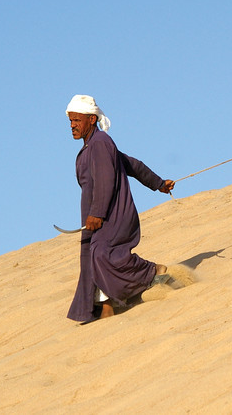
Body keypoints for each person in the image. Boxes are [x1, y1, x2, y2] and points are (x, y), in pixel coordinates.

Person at [65, 94, 175, 322]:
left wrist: (97, 213)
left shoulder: (101, 142)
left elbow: (105, 181)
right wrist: (158, 183)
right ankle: (106, 307)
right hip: (95, 217)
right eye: (70, 121)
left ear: (91, 120)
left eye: (77, 120)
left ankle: (151, 272)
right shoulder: (91, 147)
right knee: (91, 260)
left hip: (112, 214)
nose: (72, 126)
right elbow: (132, 165)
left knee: (103, 254)